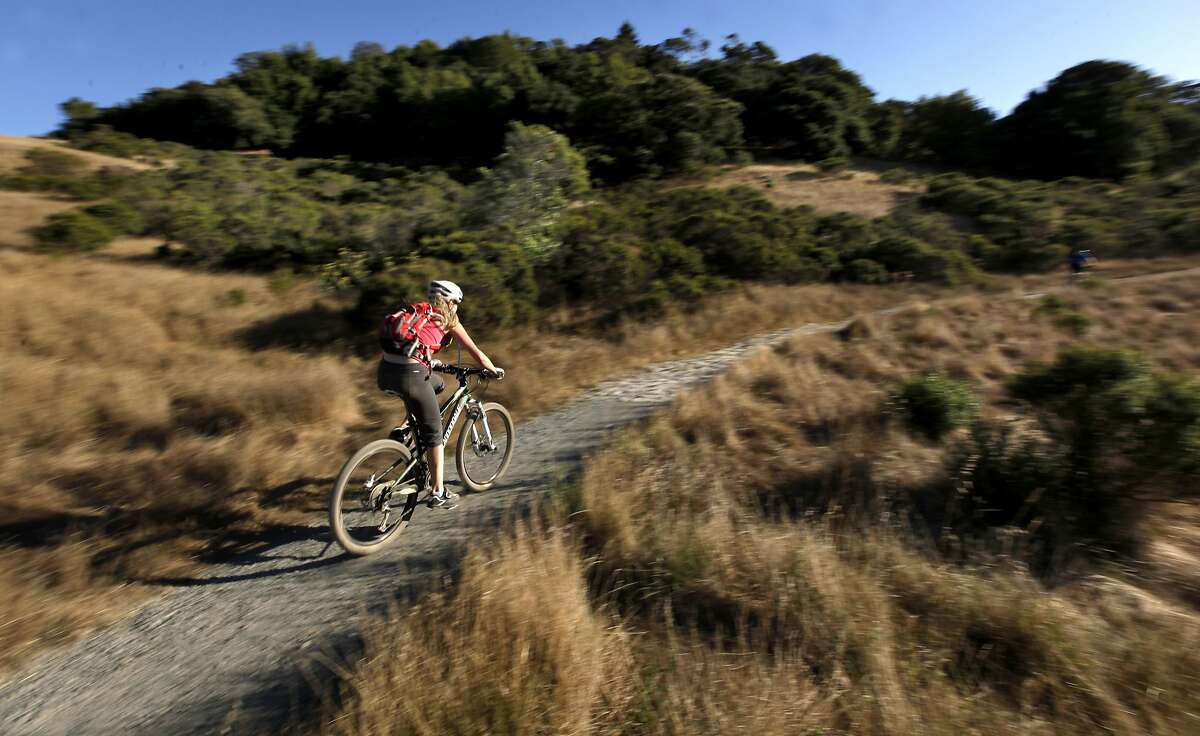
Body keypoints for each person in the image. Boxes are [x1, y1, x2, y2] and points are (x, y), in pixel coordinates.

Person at [377, 280, 505, 509]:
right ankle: (438, 491)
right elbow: (476, 353)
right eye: (456, 302)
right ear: (451, 301)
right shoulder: (450, 319)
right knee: (434, 433)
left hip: (385, 372)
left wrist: (432, 363)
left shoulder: (418, 310)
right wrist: (494, 370)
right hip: (411, 375)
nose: (456, 307)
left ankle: (406, 427)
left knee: (436, 385)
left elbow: (418, 346)